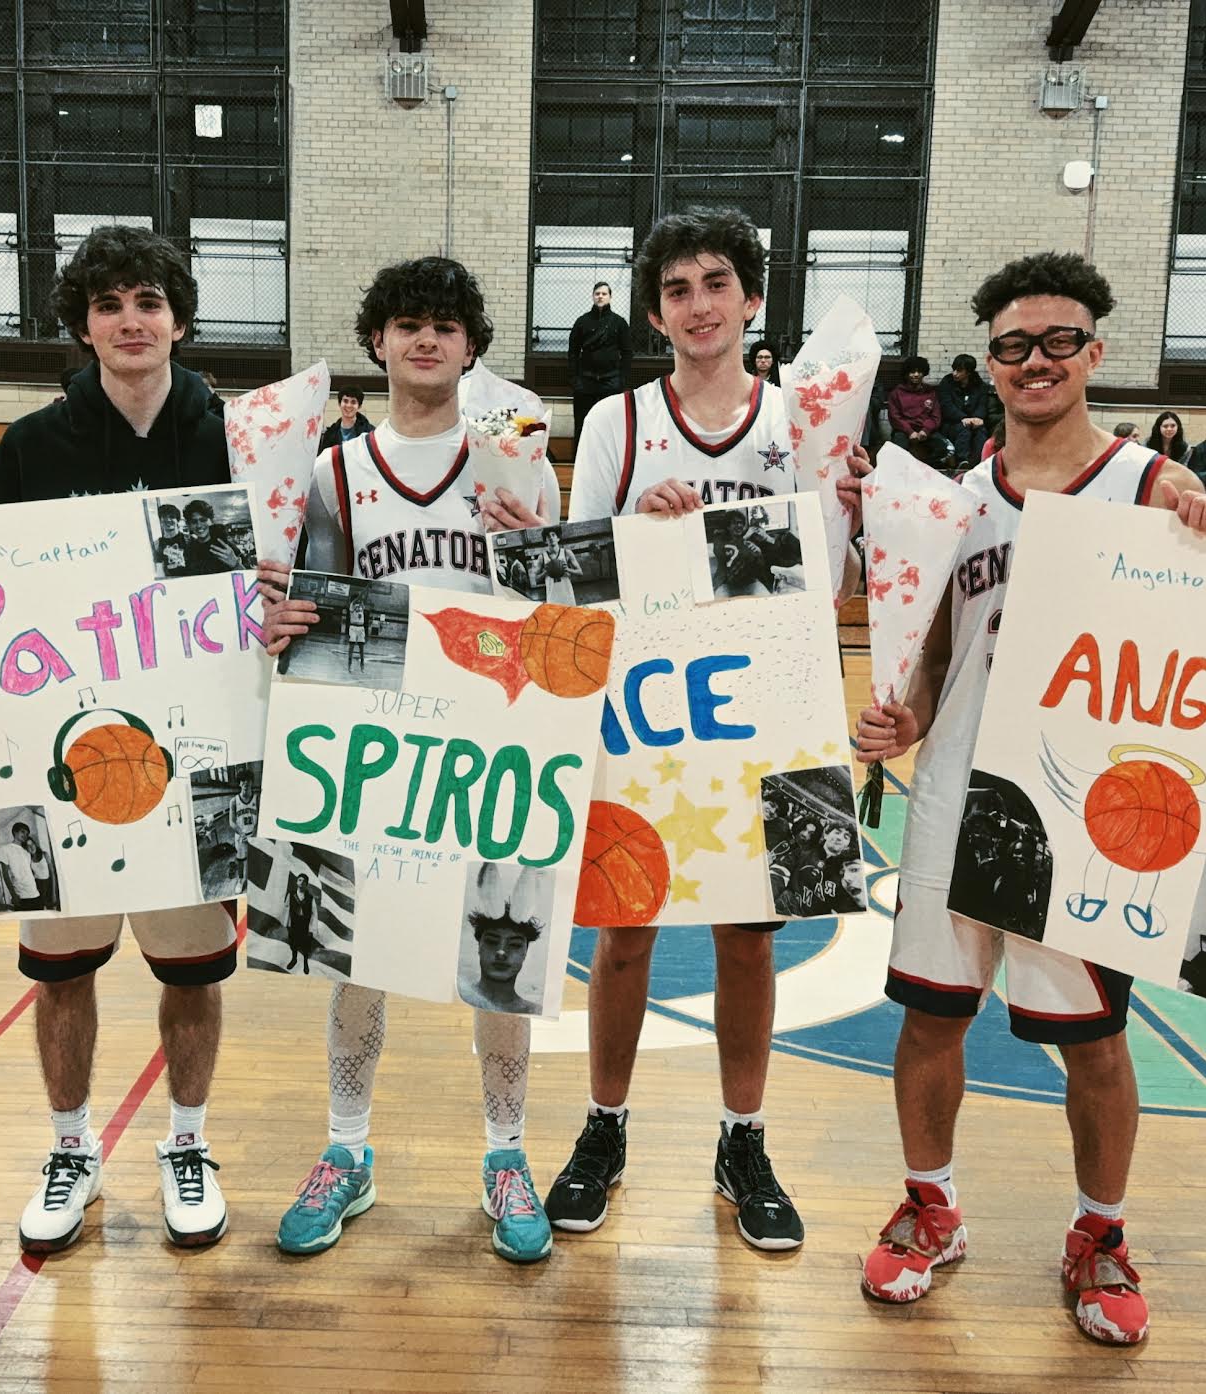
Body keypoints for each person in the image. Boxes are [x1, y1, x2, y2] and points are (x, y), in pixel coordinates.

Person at [852, 252, 1206, 1342]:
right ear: (989, 361)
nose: (1038, 361)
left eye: (1059, 341)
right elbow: (934, 659)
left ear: (1094, 352)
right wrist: (901, 718)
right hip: (955, 790)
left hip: (1083, 808)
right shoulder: (952, 500)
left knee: (1094, 1039)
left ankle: (1100, 1233)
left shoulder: (1153, 489)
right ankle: (931, 1208)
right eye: (1015, 345)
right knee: (931, 1016)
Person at [0, 225, 236, 1253]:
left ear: (179, 319)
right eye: (109, 304)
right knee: (63, 971)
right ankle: (71, 1146)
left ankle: (188, 1142)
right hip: (56, 761)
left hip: (195, 758)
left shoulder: (234, 440)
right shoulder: (34, 446)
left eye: (149, 302)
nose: (131, 321)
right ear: (83, 325)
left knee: (193, 976)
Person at [555, 207, 869, 1254]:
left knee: (751, 933)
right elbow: (581, 575)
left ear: (753, 299)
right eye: (678, 289)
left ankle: (744, 1138)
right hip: (651, 701)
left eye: (717, 283)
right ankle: (604, 1125)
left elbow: (840, 583)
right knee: (626, 928)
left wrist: (850, 510)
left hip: (775, 703)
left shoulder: (805, 420)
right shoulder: (617, 422)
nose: (699, 305)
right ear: (654, 312)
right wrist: (640, 532)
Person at [254, 255, 563, 1264]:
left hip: (496, 740)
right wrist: (279, 618)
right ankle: (347, 1148)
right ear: (378, 342)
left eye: (446, 325)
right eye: (407, 324)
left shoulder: (517, 456)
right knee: (358, 957)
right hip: (376, 744)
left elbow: (559, 614)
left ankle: (507, 1152)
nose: (427, 339)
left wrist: (546, 554)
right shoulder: (333, 473)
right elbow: (311, 615)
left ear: (471, 349)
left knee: (502, 956)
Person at [568, 281, 629, 440]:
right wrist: (575, 379)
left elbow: (627, 352)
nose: (600, 296)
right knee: (582, 423)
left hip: (611, 381)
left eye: (604, 294)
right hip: (585, 381)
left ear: (610, 297)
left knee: (611, 424)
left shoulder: (619, 322)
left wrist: (621, 380)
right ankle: (579, 453)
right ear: (592, 296)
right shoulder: (582, 322)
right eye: (597, 294)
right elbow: (573, 352)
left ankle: (611, 455)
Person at [936, 353, 999, 476]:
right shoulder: (947, 383)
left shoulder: (979, 385)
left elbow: (982, 404)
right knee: (964, 430)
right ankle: (962, 462)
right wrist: (963, 418)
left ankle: (979, 464)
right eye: (954, 370)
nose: (955, 373)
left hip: (972, 422)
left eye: (959, 371)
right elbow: (946, 406)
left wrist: (977, 418)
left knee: (981, 432)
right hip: (952, 423)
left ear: (968, 372)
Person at [886, 356, 943, 463]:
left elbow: (935, 416)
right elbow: (895, 417)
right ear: (906, 374)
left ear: (924, 373)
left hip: (926, 431)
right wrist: (910, 432)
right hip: (903, 431)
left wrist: (926, 430)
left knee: (945, 449)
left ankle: (926, 469)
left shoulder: (930, 392)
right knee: (899, 451)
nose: (916, 375)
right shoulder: (896, 393)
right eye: (912, 372)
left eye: (919, 372)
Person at [178, 497, 253, 573]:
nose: (199, 525)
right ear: (189, 525)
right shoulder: (189, 549)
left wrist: (235, 564)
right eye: (194, 522)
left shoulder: (226, 547)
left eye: (203, 520)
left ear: (211, 521)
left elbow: (249, 575)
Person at [0, 821, 54, 912]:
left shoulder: (27, 850)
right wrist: (13, 895)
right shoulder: (5, 849)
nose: (25, 835)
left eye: (27, 833)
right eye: (22, 832)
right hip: (21, 895)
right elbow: (5, 874)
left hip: (35, 893)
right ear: (15, 832)